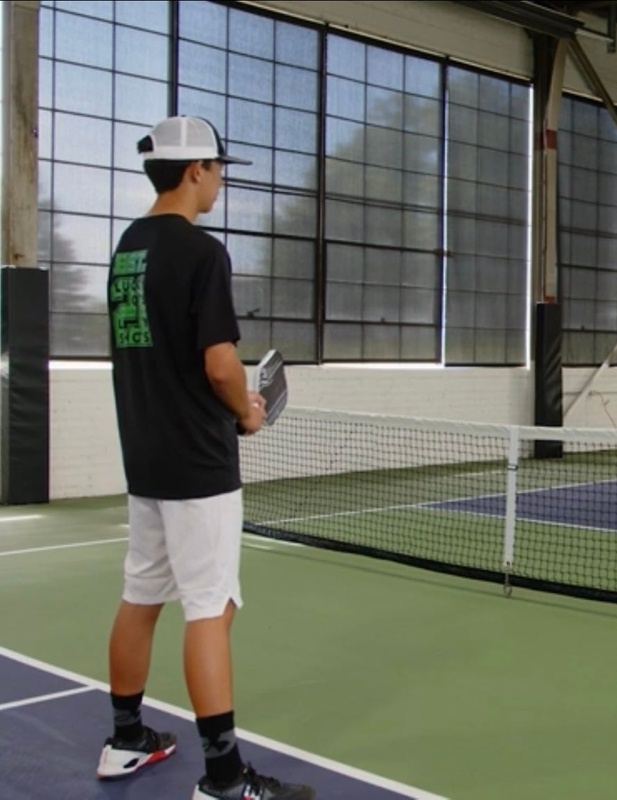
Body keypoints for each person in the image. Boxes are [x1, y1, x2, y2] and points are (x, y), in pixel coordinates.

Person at [98, 116, 315, 800]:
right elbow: (221, 364)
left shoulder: (127, 249)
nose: (220, 180)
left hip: (146, 458)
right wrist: (246, 410)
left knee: (141, 594)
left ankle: (126, 739)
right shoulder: (201, 252)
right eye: (218, 168)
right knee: (210, 608)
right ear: (195, 171)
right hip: (198, 460)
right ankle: (224, 780)